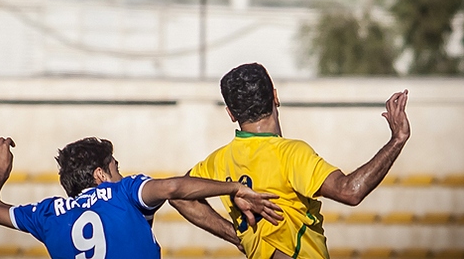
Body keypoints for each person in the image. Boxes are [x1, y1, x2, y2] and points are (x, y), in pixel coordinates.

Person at [170, 63, 410, 259]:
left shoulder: (219, 161)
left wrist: (235, 236)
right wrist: (397, 140)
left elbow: (178, 195)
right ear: (275, 97)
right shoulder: (290, 153)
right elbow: (350, 191)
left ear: (231, 114)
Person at [0, 136, 284, 259]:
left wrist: (0, 171)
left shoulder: (47, 214)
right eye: (115, 168)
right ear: (100, 175)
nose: (121, 173)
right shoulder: (122, 192)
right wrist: (235, 188)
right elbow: (173, 188)